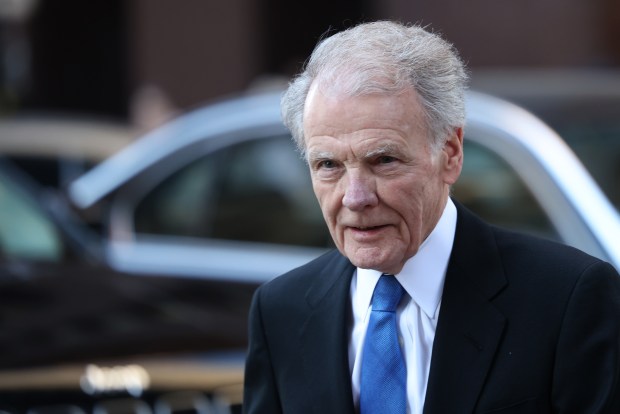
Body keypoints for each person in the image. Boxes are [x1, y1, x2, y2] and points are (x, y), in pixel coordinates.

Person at [242, 20, 620, 414]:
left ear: (451, 154)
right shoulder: (279, 311)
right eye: (328, 165)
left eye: (384, 160)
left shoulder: (567, 298)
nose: (355, 198)